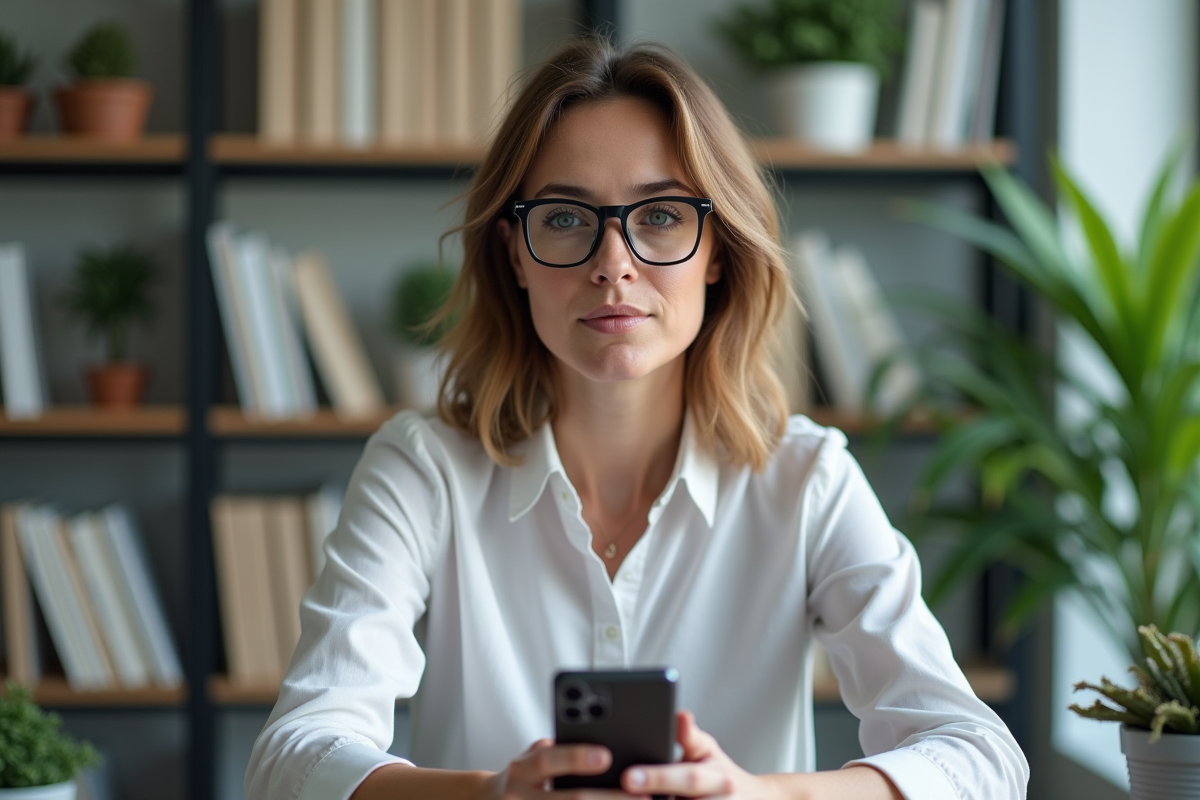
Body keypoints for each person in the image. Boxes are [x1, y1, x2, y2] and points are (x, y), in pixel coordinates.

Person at [245, 37, 1029, 800]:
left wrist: (760, 796)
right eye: (563, 217)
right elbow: (290, 762)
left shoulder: (806, 479)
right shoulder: (424, 469)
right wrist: (491, 797)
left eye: (659, 216)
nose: (612, 263)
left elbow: (982, 761)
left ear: (716, 249)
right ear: (514, 252)